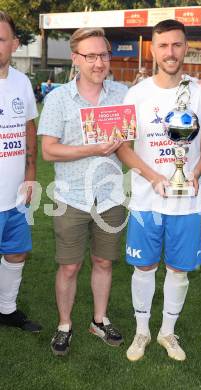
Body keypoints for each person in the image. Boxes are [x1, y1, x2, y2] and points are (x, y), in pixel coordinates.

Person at [117, 19, 201, 362]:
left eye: (176, 45)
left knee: (179, 270)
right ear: (153, 48)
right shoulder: (137, 94)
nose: (170, 52)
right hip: (147, 200)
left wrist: (195, 172)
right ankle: (142, 331)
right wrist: (150, 176)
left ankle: (167, 333)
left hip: (186, 202)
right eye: (163, 45)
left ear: (185, 47)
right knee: (143, 268)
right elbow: (123, 146)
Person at [38, 27, 128, 356]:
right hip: (70, 196)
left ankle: (99, 320)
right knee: (69, 266)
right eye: (91, 55)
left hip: (110, 196)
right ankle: (64, 325)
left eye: (104, 54)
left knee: (104, 261)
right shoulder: (58, 98)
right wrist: (91, 149)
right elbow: (48, 150)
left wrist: (193, 87)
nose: (99, 62)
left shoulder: (123, 93)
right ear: (76, 59)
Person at [0, 11, 41, 332]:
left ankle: (7, 309)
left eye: (1, 39)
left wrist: (30, 173)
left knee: (17, 253)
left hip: (15, 194)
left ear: (14, 44)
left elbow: (29, 127)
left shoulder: (22, 82)